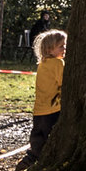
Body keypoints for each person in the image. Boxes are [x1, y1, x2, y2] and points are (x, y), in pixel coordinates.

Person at [28, 28, 67, 162]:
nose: (64, 48)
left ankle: (29, 162)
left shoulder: (42, 64)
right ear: (50, 49)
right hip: (53, 109)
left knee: (38, 139)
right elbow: (64, 81)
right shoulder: (58, 63)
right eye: (61, 46)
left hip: (39, 110)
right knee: (51, 138)